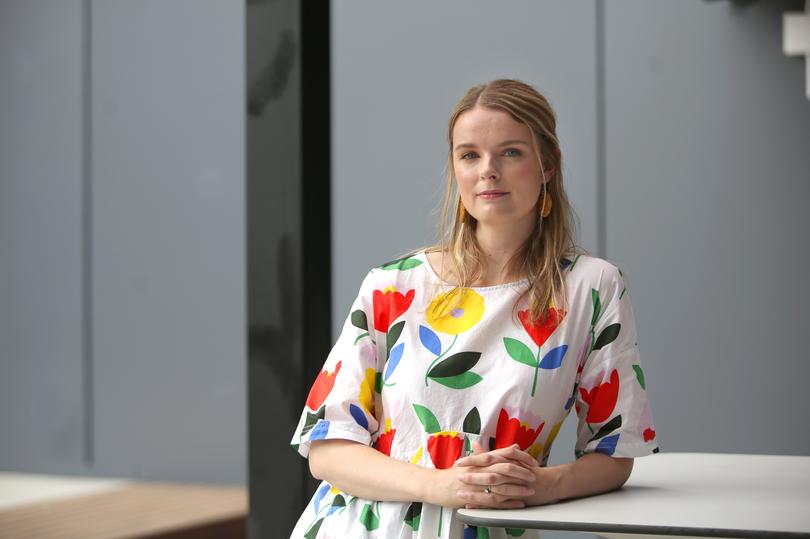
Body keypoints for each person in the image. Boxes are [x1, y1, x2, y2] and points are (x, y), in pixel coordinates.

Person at [289, 78, 659, 538]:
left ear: (548, 165)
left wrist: (544, 485)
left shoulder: (592, 287)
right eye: (469, 155)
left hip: (492, 528)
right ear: (455, 169)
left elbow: (616, 450)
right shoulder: (394, 285)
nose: (488, 170)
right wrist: (442, 485)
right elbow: (327, 448)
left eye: (510, 153)